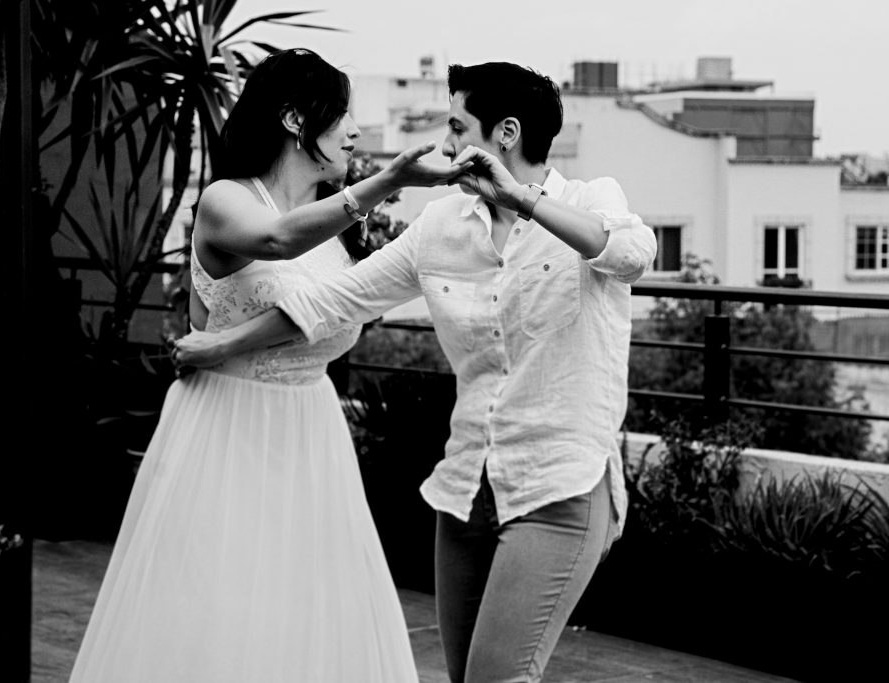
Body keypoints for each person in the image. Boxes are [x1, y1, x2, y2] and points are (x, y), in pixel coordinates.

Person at [172, 61, 658, 682]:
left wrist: (520, 199)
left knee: (498, 678)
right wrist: (216, 347)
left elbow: (632, 254)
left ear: (505, 134)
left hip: (559, 486)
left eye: (458, 128)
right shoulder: (440, 228)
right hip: (464, 492)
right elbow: (333, 302)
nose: (449, 147)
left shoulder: (592, 200)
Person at [68, 48, 468, 683]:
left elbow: (337, 313)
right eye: (342, 115)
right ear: (292, 119)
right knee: (221, 600)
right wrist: (390, 180)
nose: (354, 131)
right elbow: (278, 240)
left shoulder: (333, 233)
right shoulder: (226, 201)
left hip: (310, 430)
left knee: (306, 601)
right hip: (228, 427)